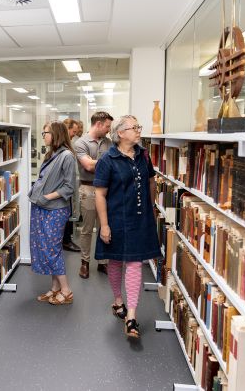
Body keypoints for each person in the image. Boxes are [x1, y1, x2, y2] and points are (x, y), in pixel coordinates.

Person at [94, 115, 160, 338]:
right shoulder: (107, 160)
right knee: (115, 261)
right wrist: (104, 225)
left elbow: (151, 181)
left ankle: (131, 316)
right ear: (120, 133)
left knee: (134, 263)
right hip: (116, 219)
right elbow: (100, 194)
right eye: (134, 127)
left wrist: (151, 206)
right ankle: (118, 301)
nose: (139, 130)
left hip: (140, 219)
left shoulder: (144, 155)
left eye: (138, 126)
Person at [28, 121, 77, 305]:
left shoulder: (67, 156)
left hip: (55, 209)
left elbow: (69, 187)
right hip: (42, 207)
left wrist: (46, 197)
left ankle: (66, 290)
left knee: (52, 249)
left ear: (56, 134)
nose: (43, 136)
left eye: (45, 133)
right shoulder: (52, 154)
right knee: (46, 247)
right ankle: (55, 288)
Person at [74, 111, 113, 278]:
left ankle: (103, 262)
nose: (109, 130)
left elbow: (113, 164)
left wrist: (96, 162)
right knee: (87, 229)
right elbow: (88, 166)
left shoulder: (109, 142)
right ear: (98, 124)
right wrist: (106, 162)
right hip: (88, 188)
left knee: (105, 226)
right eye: (107, 126)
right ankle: (85, 262)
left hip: (106, 190)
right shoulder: (81, 143)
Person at [61, 118, 82, 253]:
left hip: (68, 185)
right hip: (62, 187)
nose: (74, 134)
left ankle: (66, 239)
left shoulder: (68, 145)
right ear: (66, 129)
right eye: (73, 131)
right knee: (65, 214)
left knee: (68, 213)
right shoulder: (61, 146)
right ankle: (66, 241)